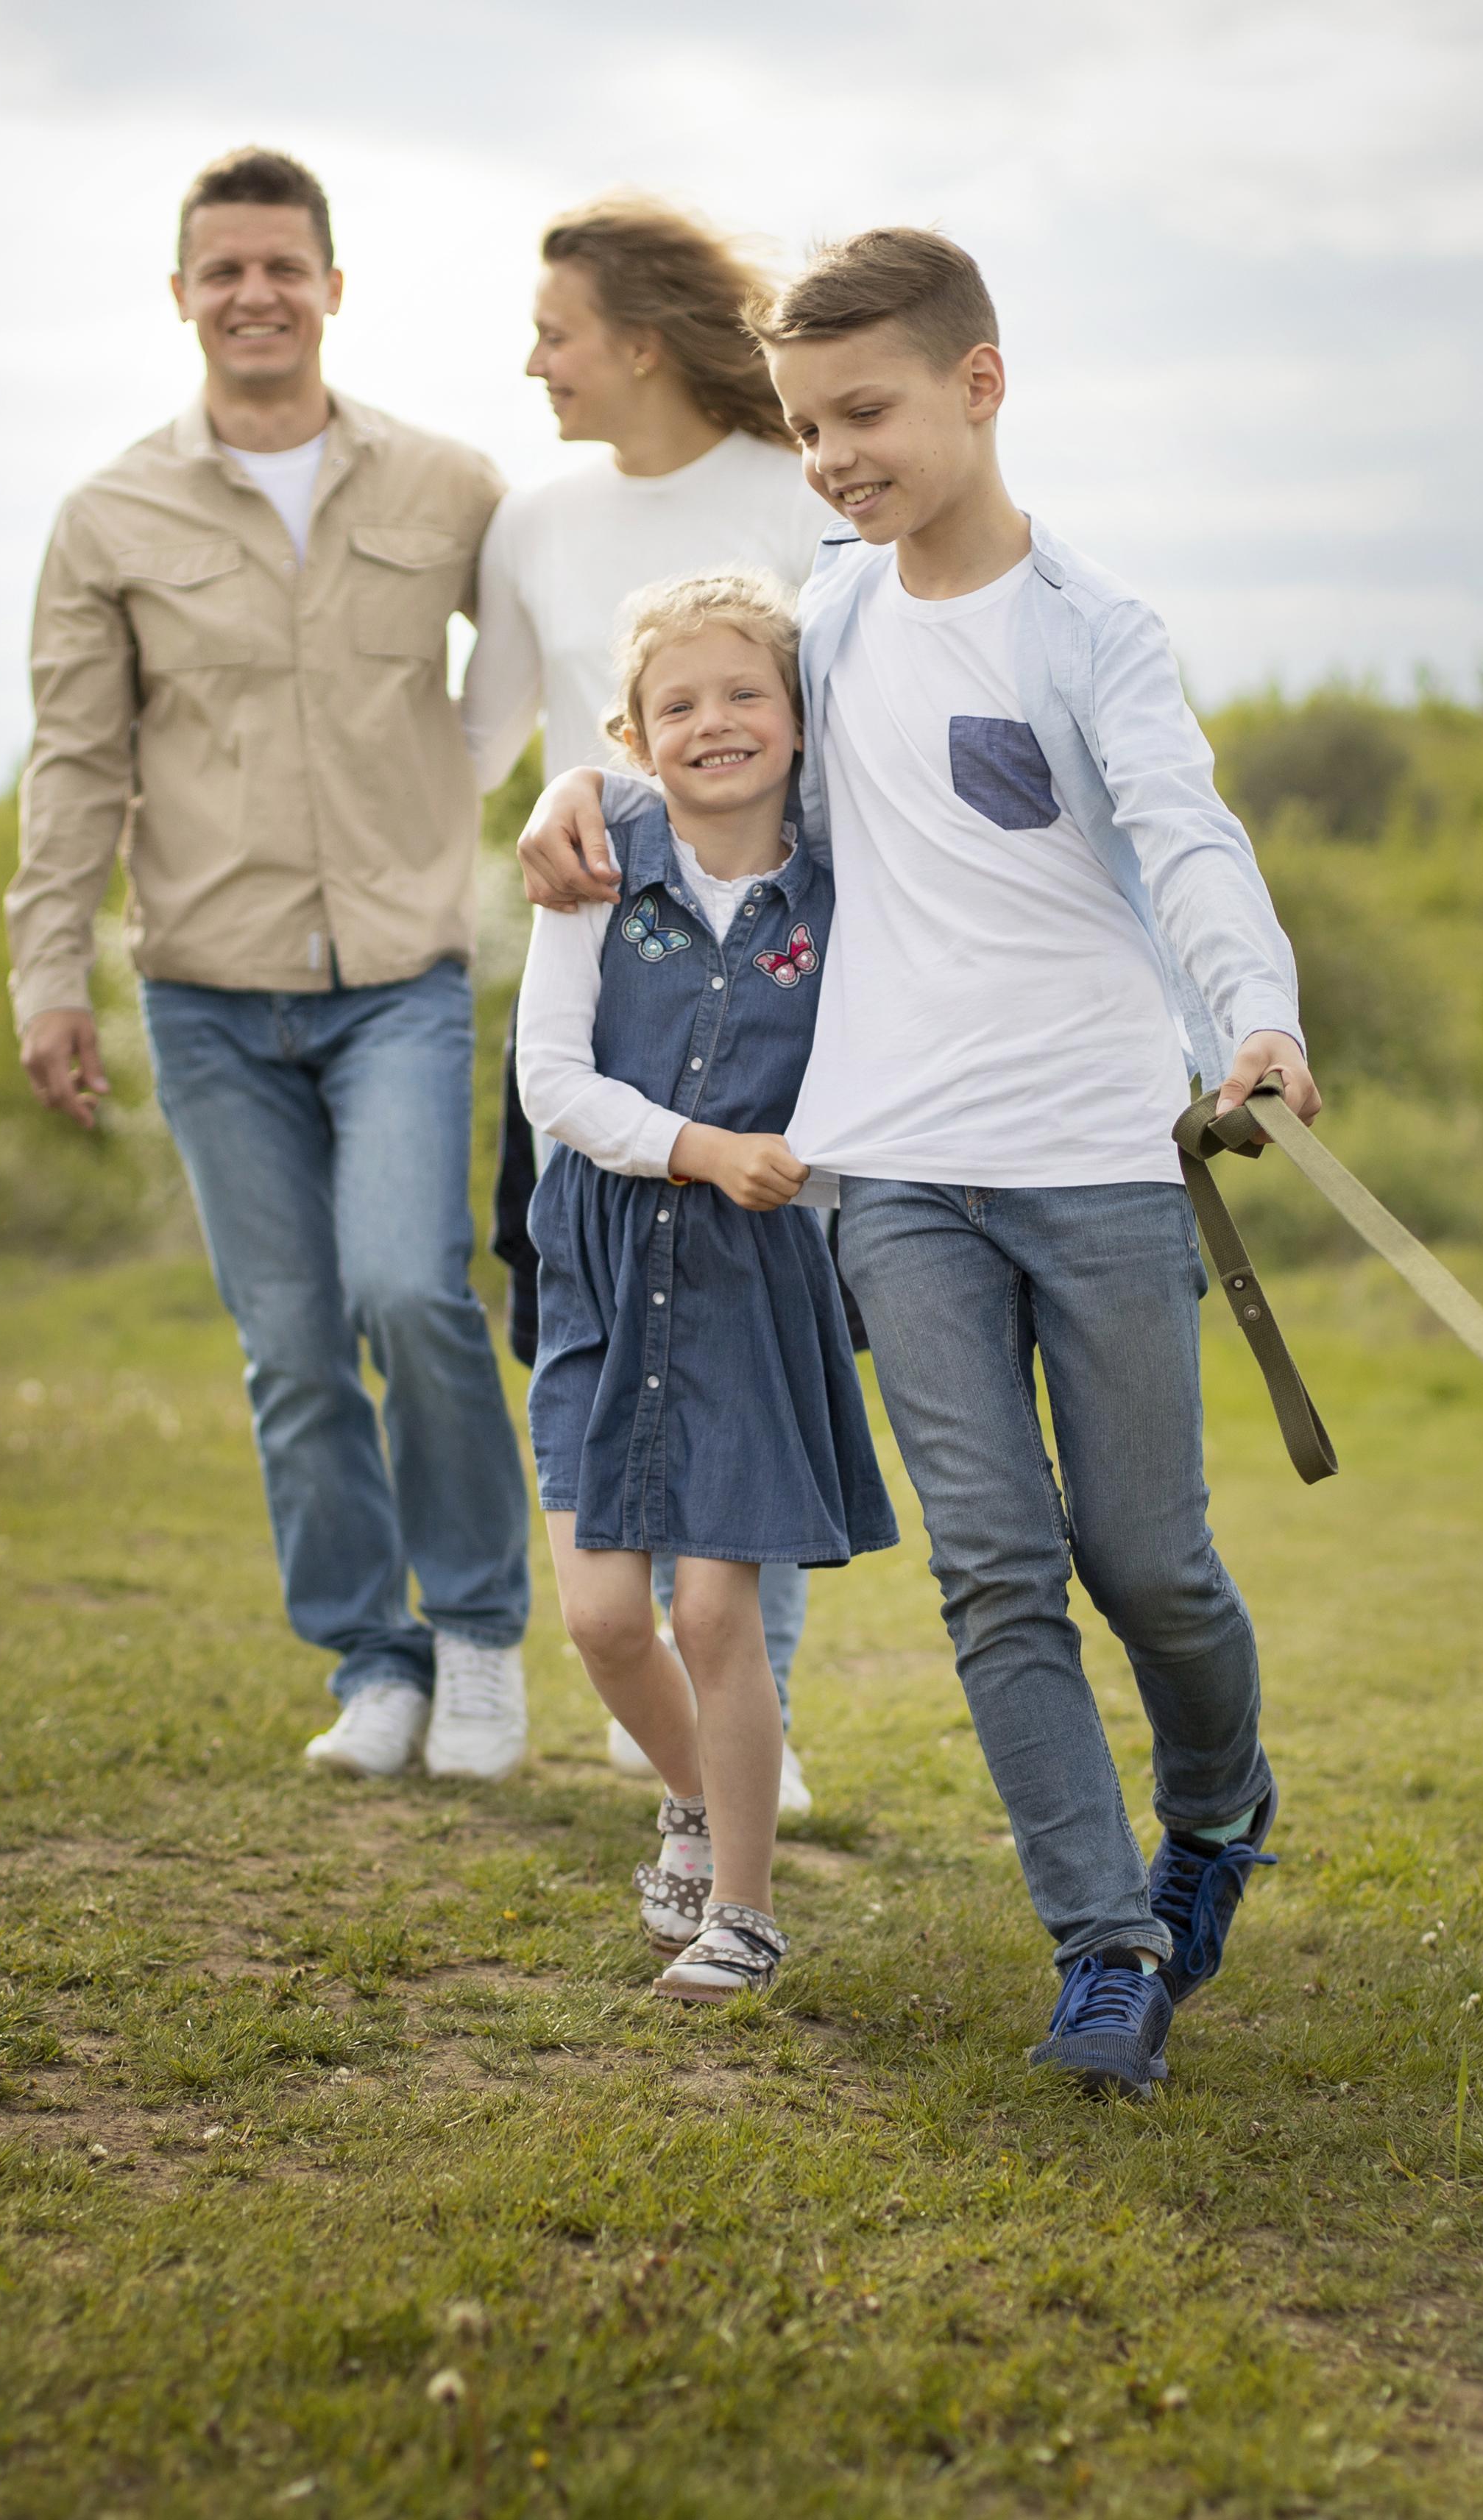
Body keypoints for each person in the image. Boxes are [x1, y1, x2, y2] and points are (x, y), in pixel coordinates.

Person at [521, 229, 1318, 2098]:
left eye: (864, 412)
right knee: (995, 1570)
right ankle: (1105, 1945)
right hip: (896, 1177)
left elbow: (1187, 840)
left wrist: (1255, 1017)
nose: (836, 457)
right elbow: (696, 747)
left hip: (1104, 1158)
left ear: (983, 382)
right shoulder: (838, 614)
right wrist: (580, 788)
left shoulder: (1092, 633)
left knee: (1149, 1560)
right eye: (807, 428)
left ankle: (1218, 1799)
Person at [9, 147, 531, 1785]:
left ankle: (483, 1636)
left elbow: (557, 656)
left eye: (281, 267)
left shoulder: (453, 490)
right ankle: (372, 1659)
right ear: (182, 295)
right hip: (209, 990)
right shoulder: (108, 516)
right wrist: (49, 974)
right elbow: (75, 763)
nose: (254, 294)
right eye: (222, 269)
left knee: (409, 1289)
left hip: (398, 974)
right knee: (293, 1343)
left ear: (332, 287)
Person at [461, 197, 838, 1817]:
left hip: (765, 979)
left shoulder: (794, 493)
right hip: (591, 967)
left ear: (641, 336)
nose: (532, 358)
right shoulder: (533, 519)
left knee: (760, 1324)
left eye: (554, 328)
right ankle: (666, 1697)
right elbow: (482, 741)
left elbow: (845, 730)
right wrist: (560, 787)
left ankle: (745, 1690)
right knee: (575, 1308)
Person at [511, 571, 894, 1997]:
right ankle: (689, 1797)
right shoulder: (600, 859)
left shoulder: (847, 883)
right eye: (678, 703)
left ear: (798, 722)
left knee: (718, 1612)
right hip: (605, 1259)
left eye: (746, 694)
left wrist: (799, 1165)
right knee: (606, 1617)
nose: (715, 722)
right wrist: (698, 1149)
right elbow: (551, 1079)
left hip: (749, 1273)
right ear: (633, 733)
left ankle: (743, 1906)